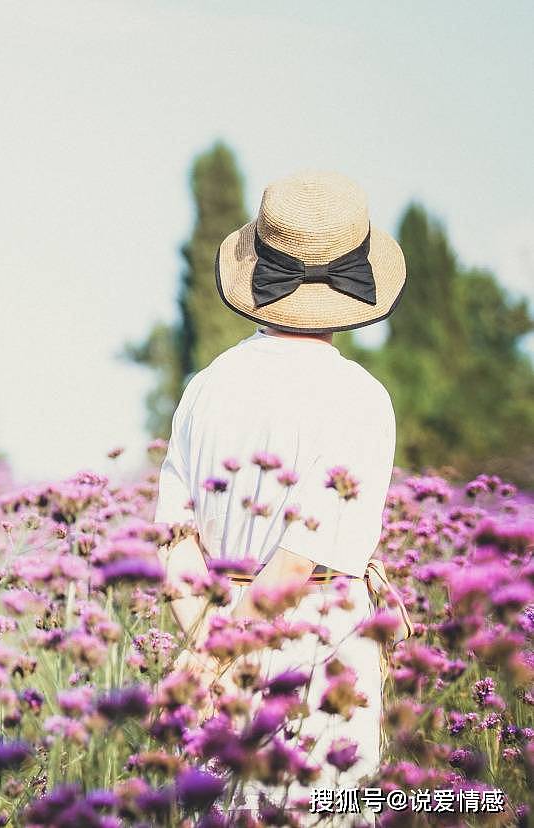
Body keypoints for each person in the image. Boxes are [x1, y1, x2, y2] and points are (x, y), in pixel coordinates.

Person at [153, 170, 406, 824]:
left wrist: (204, 654)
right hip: (319, 663)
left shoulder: (204, 387)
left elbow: (175, 544)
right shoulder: (360, 400)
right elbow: (297, 561)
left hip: (210, 645)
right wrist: (224, 662)